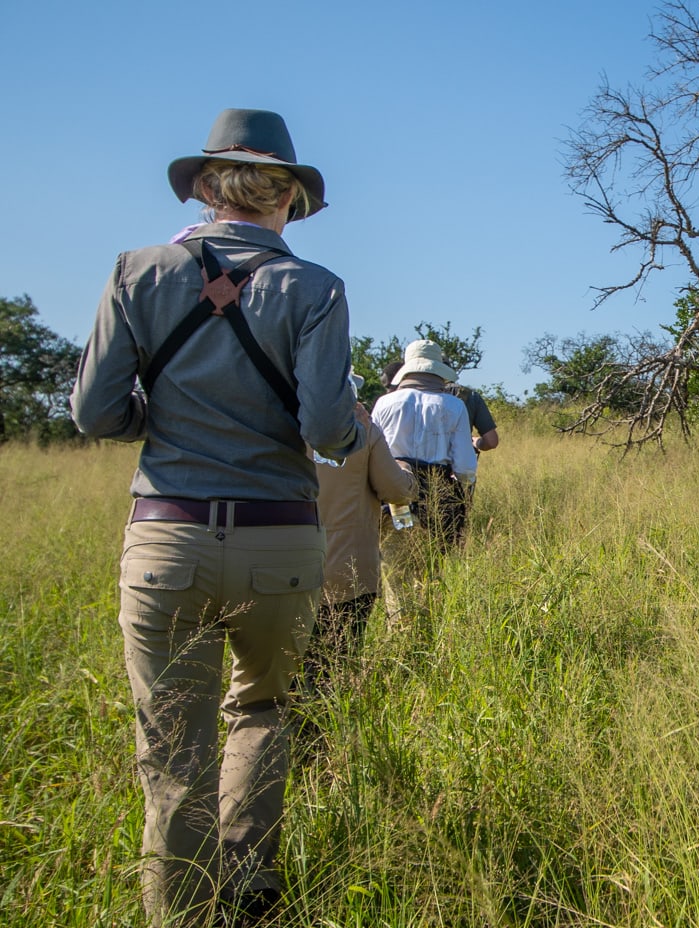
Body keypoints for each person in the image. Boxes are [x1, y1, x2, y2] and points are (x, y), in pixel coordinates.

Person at [70, 108, 363, 927]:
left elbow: (94, 415)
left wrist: (158, 423)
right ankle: (251, 885)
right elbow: (326, 430)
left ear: (205, 188)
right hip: (280, 537)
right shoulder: (315, 288)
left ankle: (181, 914)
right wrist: (339, 429)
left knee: (173, 754)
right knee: (262, 711)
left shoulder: (138, 270)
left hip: (168, 533)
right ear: (289, 201)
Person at [305, 375, 415, 694]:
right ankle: (325, 740)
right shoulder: (362, 427)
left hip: (276, 569)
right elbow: (395, 489)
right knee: (333, 671)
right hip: (346, 572)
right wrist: (407, 474)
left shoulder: (274, 422)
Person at [371, 340, 478, 552]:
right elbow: (466, 470)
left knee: (395, 564)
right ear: (438, 369)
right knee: (435, 564)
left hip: (394, 491)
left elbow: (371, 456)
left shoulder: (384, 403)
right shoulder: (454, 405)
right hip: (438, 495)